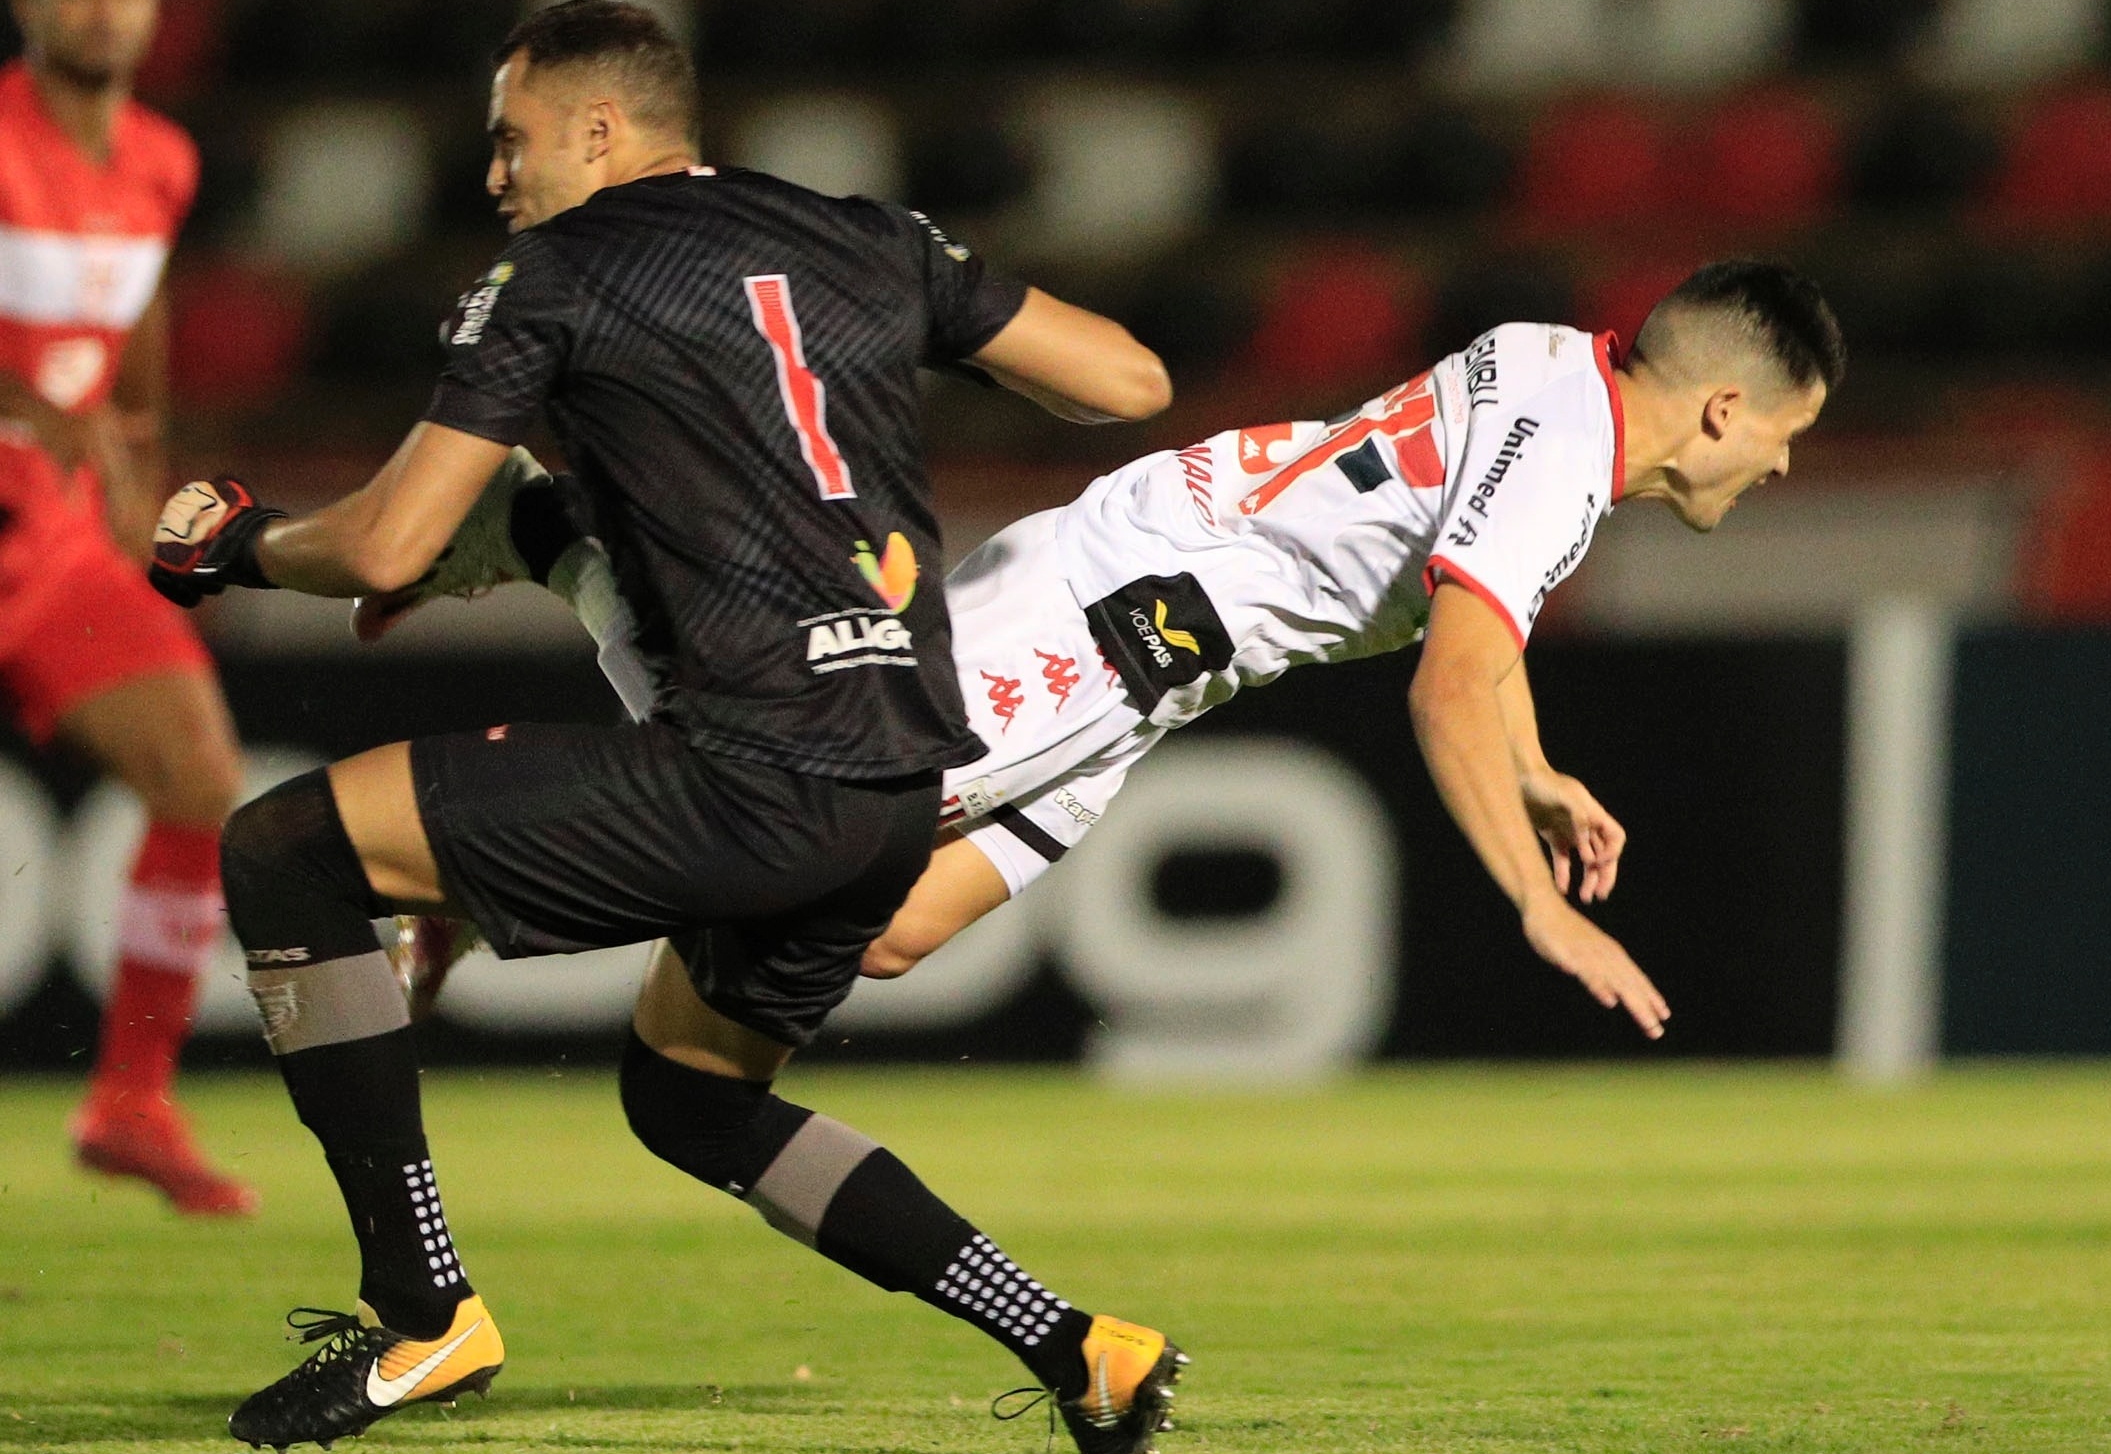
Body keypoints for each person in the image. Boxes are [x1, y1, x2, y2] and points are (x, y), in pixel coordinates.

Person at [148, 0, 1190, 1454]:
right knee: (691, 1096)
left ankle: (420, 1304)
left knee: (285, 848)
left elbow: (388, 544)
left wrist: (239, 545)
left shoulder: (558, 270)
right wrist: (896, 338)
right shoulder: (867, 235)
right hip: (898, 780)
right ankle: (1078, 1345)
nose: (495, 175)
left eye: (511, 140)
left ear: (597, 129)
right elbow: (1129, 381)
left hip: (753, 768)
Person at [423, 260, 1843, 1038]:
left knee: (897, 926)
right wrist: (1534, 897)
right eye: (1790, 434)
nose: (1784, 471)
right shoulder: (1570, 458)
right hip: (1119, 611)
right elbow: (1451, 673)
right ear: (1723, 407)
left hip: (1159, 651)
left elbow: (1482, 617)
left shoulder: (1561, 369)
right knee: (789, 800)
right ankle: (554, 567)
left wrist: (1529, 767)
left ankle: (562, 587)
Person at [0, 0, 254, 1216]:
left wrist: (142, 480)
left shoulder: (158, 158)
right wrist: (41, 409)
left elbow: (135, 334)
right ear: (28, 2)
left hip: (53, 541)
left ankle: (132, 1099)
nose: (108, 14)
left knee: (201, 774)